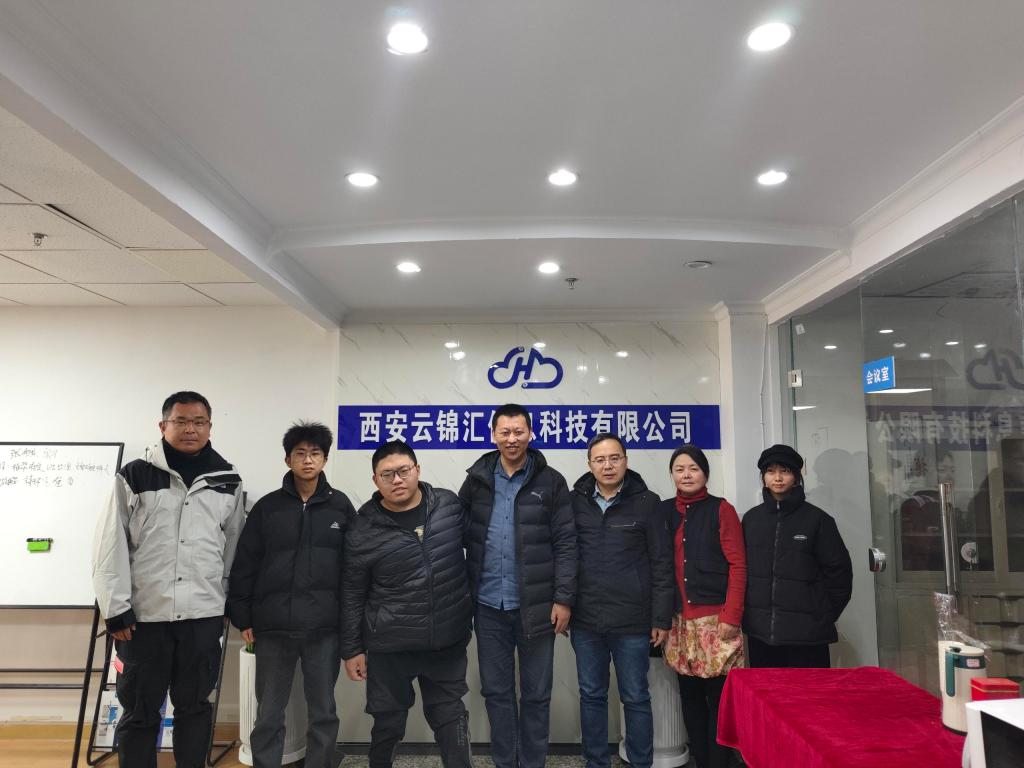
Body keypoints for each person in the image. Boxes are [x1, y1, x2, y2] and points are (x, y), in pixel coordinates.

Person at [92, 391, 245, 768]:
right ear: (163, 426)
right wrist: (115, 608)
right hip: (144, 618)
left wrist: (226, 602)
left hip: (202, 617)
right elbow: (110, 543)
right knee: (140, 710)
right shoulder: (134, 475)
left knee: (195, 707)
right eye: (181, 421)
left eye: (199, 422)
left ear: (210, 427)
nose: (191, 429)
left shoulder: (228, 480)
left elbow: (234, 547)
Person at [226, 421, 354, 768]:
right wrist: (243, 616)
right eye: (300, 453)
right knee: (269, 712)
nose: (308, 460)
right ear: (288, 460)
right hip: (273, 628)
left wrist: (349, 624)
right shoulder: (268, 508)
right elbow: (245, 564)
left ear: (325, 459)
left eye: (315, 453)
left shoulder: (341, 507)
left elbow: (353, 570)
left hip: (324, 628)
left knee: (323, 711)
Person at [341, 441, 473, 768]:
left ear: (417, 470)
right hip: (390, 644)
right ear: (375, 480)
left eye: (403, 471)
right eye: (387, 474)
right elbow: (353, 592)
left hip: (445, 638)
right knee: (388, 723)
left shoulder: (448, 505)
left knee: (452, 719)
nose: (397, 480)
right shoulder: (363, 527)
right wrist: (352, 648)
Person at [460, 403, 576, 768]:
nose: (512, 439)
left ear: (530, 434)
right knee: (496, 692)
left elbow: (566, 543)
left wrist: (564, 599)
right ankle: (505, 762)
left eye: (519, 432)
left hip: (538, 606)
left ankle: (532, 762)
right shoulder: (477, 479)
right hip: (488, 606)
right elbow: (457, 532)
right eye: (505, 432)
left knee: (537, 694)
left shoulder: (551, 481)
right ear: (493, 435)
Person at [570, 433, 673, 768]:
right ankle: (596, 762)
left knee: (636, 697)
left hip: (633, 621)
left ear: (626, 461)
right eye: (600, 460)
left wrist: (661, 617)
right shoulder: (574, 502)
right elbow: (564, 556)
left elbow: (661, 562)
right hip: (586, 619)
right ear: (590, 465)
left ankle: (641, 763)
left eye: (614, 458)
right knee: (591, 696)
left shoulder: (647, 502)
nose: (608, 466)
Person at [660, 444, 745, 768]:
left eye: (693, 468)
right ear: (672, 474)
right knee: (690, 698)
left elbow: (738, 565)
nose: (686, 475)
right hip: (679, 622)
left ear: (705, 473)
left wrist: (732, 615)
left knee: (718, 701)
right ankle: (702, 760)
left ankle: (718, 763)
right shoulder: (665, 511)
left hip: (716, 621)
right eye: (679, 469)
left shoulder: (721, 509)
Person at [742, 443, 853, 668]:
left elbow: (839, 574)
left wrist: (822, 615)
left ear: (796, 477)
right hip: (761, 634)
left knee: (809, 690)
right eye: (771, 471)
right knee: (767, 690)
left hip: (808, 635)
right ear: (763, 478)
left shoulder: (818, 520)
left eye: (785, 471)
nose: (777, 478)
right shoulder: (751, 520)